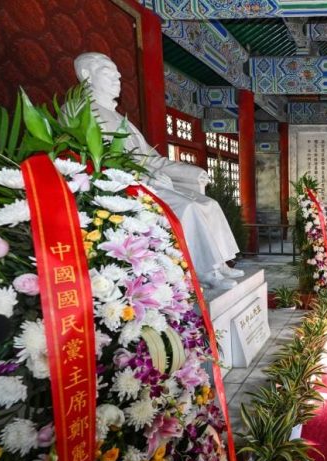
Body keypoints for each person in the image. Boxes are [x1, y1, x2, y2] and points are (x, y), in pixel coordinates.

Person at [73, 52, 242, 288]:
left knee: (209, 203)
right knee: (189, 207)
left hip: (150, 181)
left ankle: (220, 262)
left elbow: (151, 158)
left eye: (118, 73)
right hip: (123, 187)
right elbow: (97, 162)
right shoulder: (79, 112)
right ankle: (204, 271)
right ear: (86, 75)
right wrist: (147, 176)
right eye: (108, 72)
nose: (117, 78)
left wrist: (190, 172)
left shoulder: (119, 117)